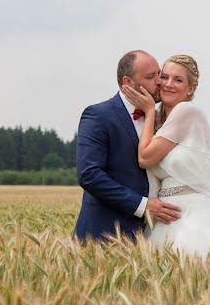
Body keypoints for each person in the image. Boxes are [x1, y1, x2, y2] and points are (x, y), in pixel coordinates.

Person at [121, 54, 210, 264]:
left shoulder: (187, 111)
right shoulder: (161, 121)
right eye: (165, 77)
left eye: (178, 80)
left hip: (194, 216)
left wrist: (150, 110)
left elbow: (144, 158)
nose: (168, 84)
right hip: (164, 215)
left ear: (191, 89)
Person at [74, 50, 181, 242]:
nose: (160, 81)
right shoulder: (98, 115)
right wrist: (143, 206)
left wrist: (198, 176)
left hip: (154, 236)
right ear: (128, 82)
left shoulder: (162, 120)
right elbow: (89, 175)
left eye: (159, 74)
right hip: (103, 236)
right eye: (151, 76)